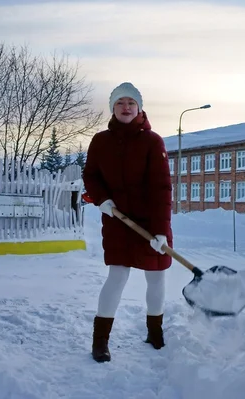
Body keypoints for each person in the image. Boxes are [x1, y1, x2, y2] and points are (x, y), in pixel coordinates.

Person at [82, 82, 173, 363]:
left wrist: (160, 232)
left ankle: (155, 333)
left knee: (156, 276)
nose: (126, 107)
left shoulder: (153, 141)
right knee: (117, 276)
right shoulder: (100, 141)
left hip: (150, 221)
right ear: (112, 108)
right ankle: (100, 342)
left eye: (131, 103)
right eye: (120, 103)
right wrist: (102, 200)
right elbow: (91, 176)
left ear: (139, 108)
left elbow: (161, 188)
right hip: (117, 219)